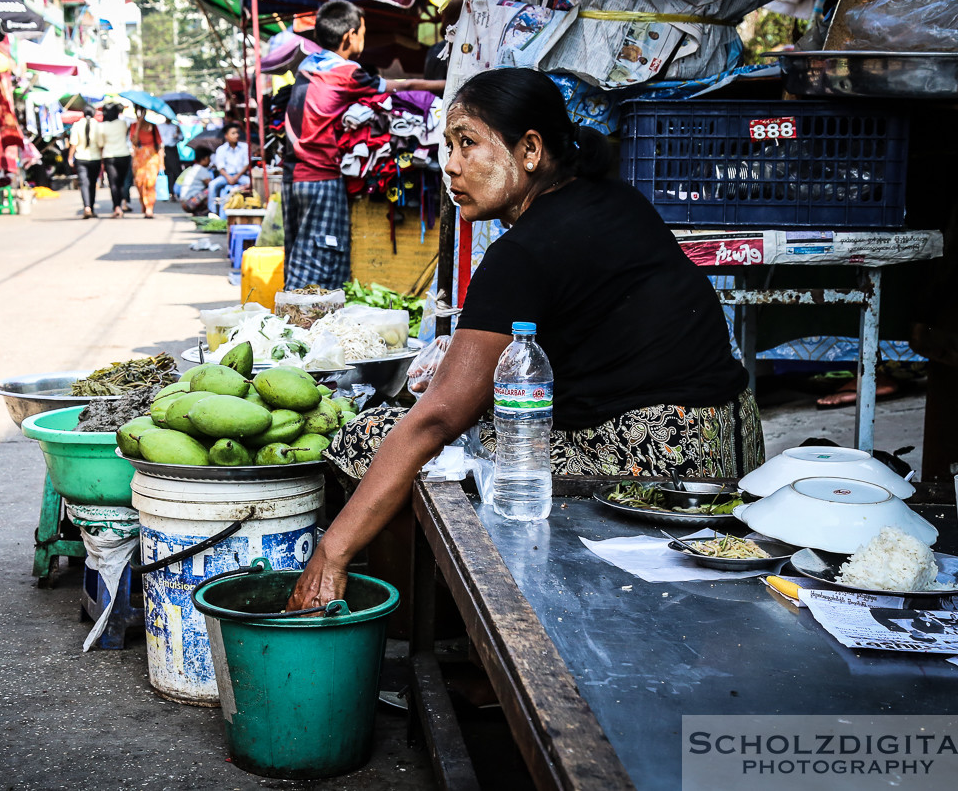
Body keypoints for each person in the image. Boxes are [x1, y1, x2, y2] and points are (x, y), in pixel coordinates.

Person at [286, 68, 761, 611]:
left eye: (468, 143)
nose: (452, 165)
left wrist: (333, 549)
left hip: (659, 461)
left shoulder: (524, 251)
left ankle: (415, 623)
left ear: (530, 149)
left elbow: (442, 416)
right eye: (447, 145)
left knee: (375, 437)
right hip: (728, 438)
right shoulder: (613, 201)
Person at [282, 1, 445, 290]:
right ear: (349, 37)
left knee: (299, 252)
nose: (363, 39)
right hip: (321, 177)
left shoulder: (307, 66)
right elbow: (402, 87)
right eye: (363, 32)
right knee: (320, 259)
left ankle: (294, 321)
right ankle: (297, 324)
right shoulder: (346, 73)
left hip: (293, 177)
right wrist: (449, 84)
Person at [98, 103, 132, 219]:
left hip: (109, 156)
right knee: (122, 183)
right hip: (124, 155)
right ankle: (122, 204)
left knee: (113, 183)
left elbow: (101, 144)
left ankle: (116, 207)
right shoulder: (123, 124)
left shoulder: (102, 126)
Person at [208, 124, 250, 217]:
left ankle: (251, 207)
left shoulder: (245, 147)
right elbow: (220, 167)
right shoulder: (221, 149)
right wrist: (228, 177)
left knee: (250, 183)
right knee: (212, 185)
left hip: (240, 176)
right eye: (233, 133)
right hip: (225, 176)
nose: (236, 135)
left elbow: (246, 164)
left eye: (237, 133)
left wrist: (236, 177)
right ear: (226, 136)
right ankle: (213, 211)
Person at [129, 106, 164, 219]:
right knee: (139, 183)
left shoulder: (153, 127)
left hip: (152, 158)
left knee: (150, 183)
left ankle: (149, 207)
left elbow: (159, 146)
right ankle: (143, 203)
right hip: (139, 158)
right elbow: (134, 141)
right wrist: (138, 125)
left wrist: (162, 163)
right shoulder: (134, 126)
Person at [69, 106, 103, 218]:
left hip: (80, 158)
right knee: (92, 184)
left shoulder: (77, 124)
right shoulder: (98, 125)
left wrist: (70, 157)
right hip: (95, 158)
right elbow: (101, 144)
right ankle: (91, 208)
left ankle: (87, 207)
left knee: (84, 184)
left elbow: (73, 143)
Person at [177, 149, 214, 215]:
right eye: (209, 158)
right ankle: (212, 211)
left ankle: (199, 212)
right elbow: (211, 184)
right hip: (190, 203)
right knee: (211, 190)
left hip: (185, 202)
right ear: (204, 159)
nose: (210, 161)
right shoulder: (201, 169)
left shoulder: (194, 168)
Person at [158, 118, 183, 187]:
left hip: (173, 150)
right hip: (165, 149)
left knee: (176, 169)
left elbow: (181, 138)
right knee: (168, 170)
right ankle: (170, 190)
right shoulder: (160, 126)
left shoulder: (175, 126)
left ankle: (176, 188)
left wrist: (178, 133)